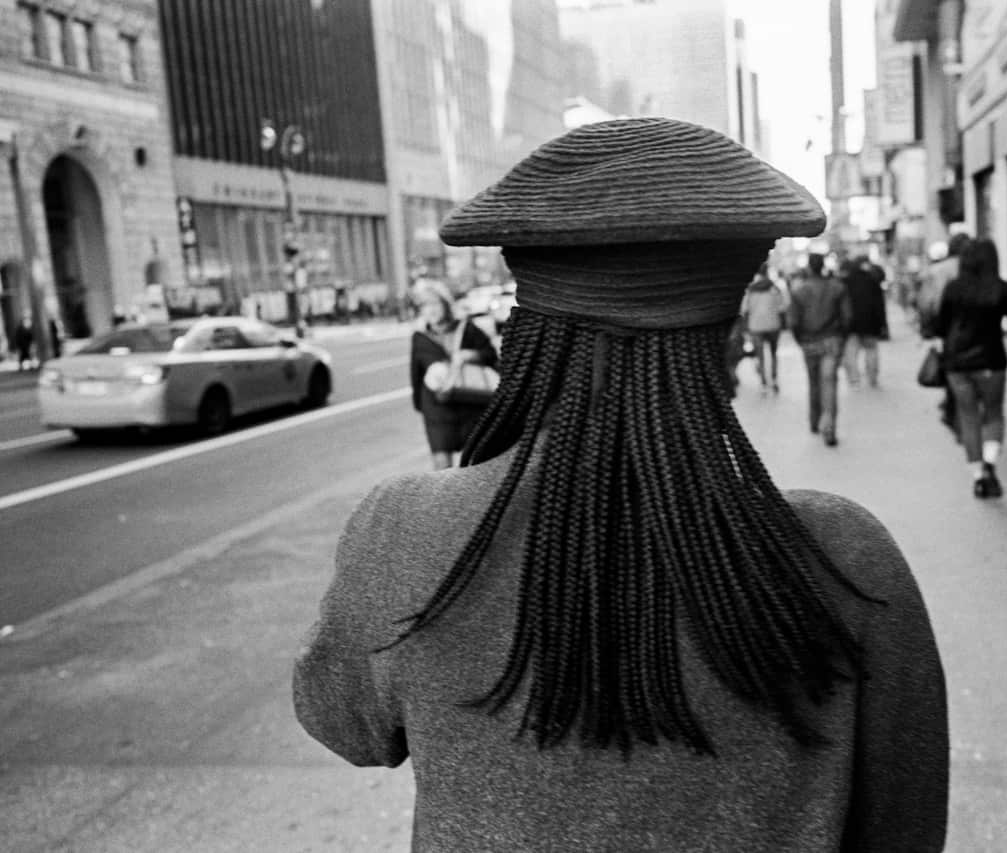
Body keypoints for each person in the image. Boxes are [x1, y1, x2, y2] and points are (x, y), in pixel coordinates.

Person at [294, 117, 949, 853]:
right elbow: (904, 829)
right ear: (732, 343)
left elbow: (342, 721)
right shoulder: (844, 560)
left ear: (522, 341)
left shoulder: (406, 531)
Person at [934, 237, 1007, 498]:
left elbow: (940, 327)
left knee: (968, 417)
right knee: (993, 414)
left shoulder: (954, 288)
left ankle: (978, 476)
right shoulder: (1003, 289)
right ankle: (990, 463)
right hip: (991, 362)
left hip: (957, 364)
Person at [408, 283, 498, 471]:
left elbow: (490, 355)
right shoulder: (420, 337)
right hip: (437, 405)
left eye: (435, 304)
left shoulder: (466, 329)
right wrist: (419, 405)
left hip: (469, 400)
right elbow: (416, 374)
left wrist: (469, 355)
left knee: (475, 462)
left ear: (445, 305)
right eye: (425, 305)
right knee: (442, 465)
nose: (431, 310)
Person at [788, 252, 851, 446]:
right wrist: (842, 338)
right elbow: (847, 317)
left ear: (808, 267)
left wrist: (800, 340)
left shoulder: (799, 291)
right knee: (829, 382)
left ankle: (815, 421)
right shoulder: (837, 288)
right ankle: (829, 427)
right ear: (823, 266)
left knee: (814, 381)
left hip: (809, 341)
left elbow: (793, 322)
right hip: (831, 340)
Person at [920, 233, 970, 437]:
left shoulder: (937, 270)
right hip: (974, 324)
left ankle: (953, 408)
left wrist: (927, 329)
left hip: (947, 326)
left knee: (952, 367)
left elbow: (927, 302)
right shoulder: (975, 267)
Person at [839, 254, 888, 388]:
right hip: (870, 324)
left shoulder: (846, 282)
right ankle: (872, 378)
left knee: (851, 352)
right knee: (871, 350)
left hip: (851, 325)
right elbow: (880, 305)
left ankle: (854, 380)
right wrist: (883, 323)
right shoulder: (873, 281)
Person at [739, 261, 788, 393]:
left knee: (760, 356)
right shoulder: (774, 288)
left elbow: (744, 309)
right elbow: (783, 306)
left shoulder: (750, 289)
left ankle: (763, 383)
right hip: (773, 325)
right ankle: (774, 379)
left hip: (756, 326)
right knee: (773, 353)